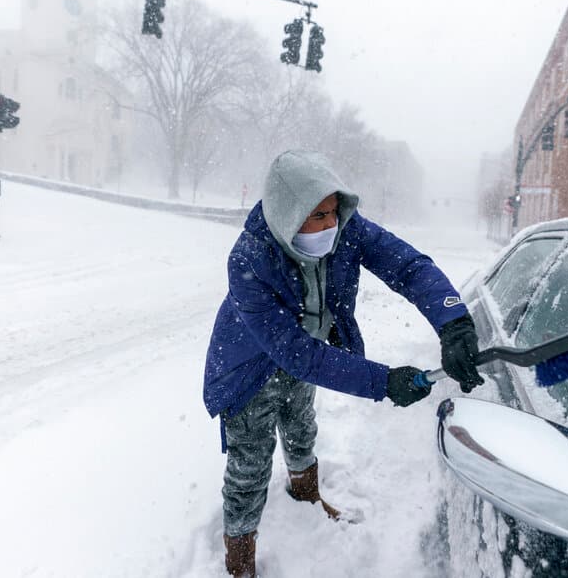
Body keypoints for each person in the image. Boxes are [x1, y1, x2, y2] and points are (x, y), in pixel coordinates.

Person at [202, 150, 483, 577]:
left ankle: (307, 496)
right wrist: (383, 381)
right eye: (318, 215)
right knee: (250, 466)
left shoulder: (347, 230)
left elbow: (408, 266)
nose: (331, 224)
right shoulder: (249, 259)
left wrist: (453, 321)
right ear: (289, 215)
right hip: (250, 370)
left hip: (307, 355)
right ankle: (240, 560)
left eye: (334, 211)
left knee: (301, 428)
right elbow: (297, 353)